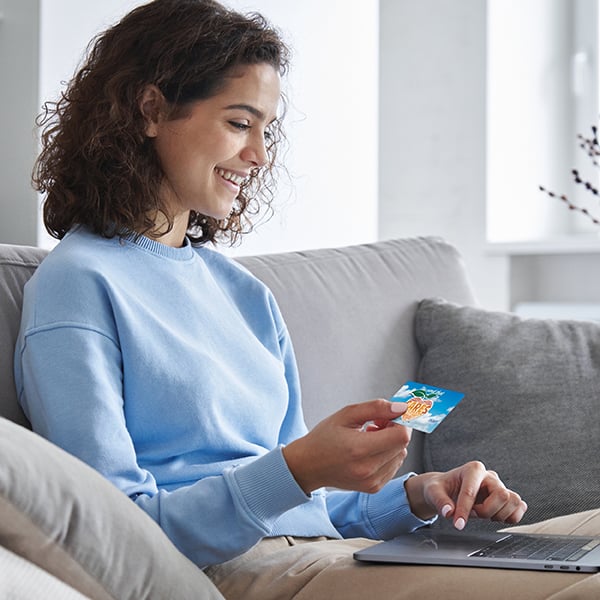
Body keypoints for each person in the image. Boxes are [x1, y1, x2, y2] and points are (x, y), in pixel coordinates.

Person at [13, 1, 600, 598]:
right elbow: (113, 531)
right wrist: (296, 469)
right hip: (234, 569)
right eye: (240, 124)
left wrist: (422, 493)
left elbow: (312, 506)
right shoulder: (78, 284)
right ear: (151, 110)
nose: (260, 155)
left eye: (267, 130)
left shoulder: (242, 293)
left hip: (332, 554)